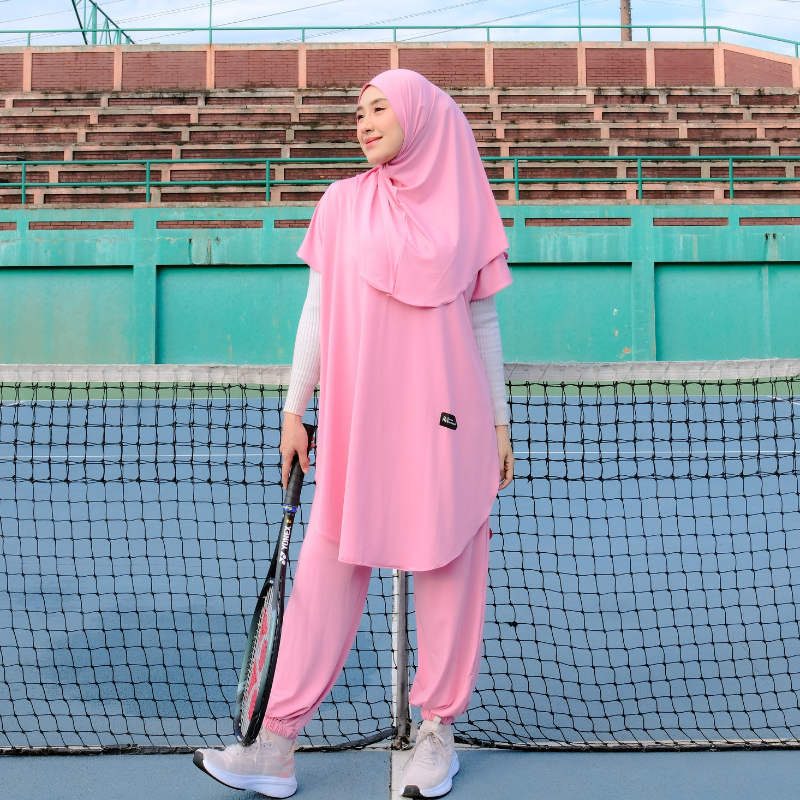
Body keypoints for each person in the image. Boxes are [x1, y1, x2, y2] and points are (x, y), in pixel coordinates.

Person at [194, 68, 514, 799]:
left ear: (419, 118)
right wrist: (294, 407)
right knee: (326, 572)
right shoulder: (341, 204)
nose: (363, 122)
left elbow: (483, 321)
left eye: (378, 109)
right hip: (357, 420)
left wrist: (500, 421)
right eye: (358, 112)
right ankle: (275, 744)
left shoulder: (466, 209)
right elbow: (317, 310)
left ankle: (437, 734)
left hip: (449, 420)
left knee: (449, 568)